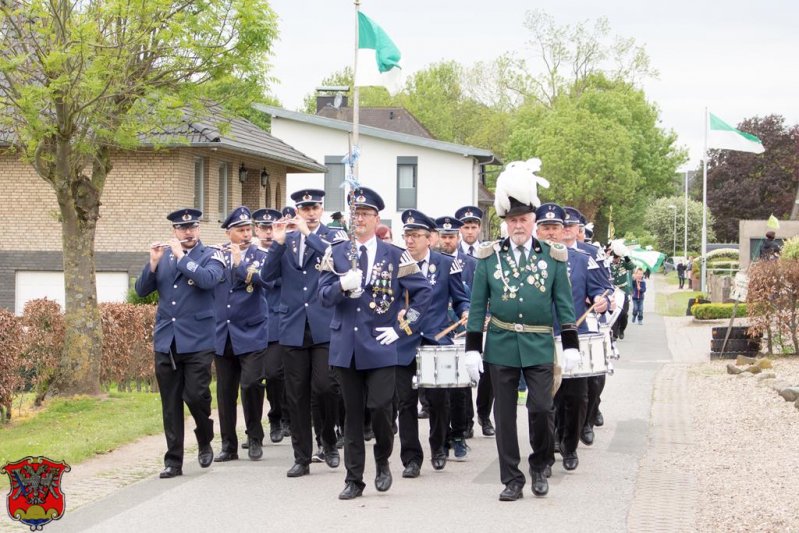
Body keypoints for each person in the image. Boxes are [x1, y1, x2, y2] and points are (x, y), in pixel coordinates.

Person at [465, 168, 579, 501]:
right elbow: (476, 307)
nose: (518, 225)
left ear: (533, 220)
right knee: (504, 416)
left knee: (542, 409)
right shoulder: (489, 257)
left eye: (524, 219)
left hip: (539, 342)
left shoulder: (554, 257)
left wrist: (570, 344)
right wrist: (473, 348)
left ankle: (540, 465)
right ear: (505, 222)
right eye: (512, 220)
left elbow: (564, 305)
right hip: (500, 344)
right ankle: (511, 479)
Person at [318, 187, 432, 500]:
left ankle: (382, 461)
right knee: (352, 415)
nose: (360, 220)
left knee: (381, 408)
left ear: (376, 218)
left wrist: (404, 326)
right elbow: (322, 295)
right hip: (347, 345)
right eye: (355, 214)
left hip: (381, 344)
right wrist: (341, 284)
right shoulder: (336, 252)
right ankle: (354, 479)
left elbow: (423, 292)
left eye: (366, 214)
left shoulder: (396, 254)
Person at [260, 189, 348, 478]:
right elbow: (267, 277)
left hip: (323, 324)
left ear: (321, 209)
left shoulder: (334, 236)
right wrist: (277, 243)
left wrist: (307, 235)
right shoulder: (286, 239)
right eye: (305, 208)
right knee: (295, 394)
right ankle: (301, 456)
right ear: (297, 210)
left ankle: (329, 441)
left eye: (315, 207)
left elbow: (338, 261)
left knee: (325, 387)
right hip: (293, 325)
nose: (310, 213)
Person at [135, 208, 225, 479]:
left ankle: (204, 437)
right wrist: (152, 262)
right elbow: (141, 291)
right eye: (181, 228)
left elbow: (208, 280)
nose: (187, 232)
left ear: (198, 229)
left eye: (192, 227)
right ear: (174, 231)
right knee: (170, 402)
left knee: (196, 396)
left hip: (198, 339)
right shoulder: (163, 257)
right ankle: (173, 460)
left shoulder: (211, 255)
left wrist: (181, 257)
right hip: (167, 340)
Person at [395, 210, 470, 478]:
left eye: (416, 235)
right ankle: (411, 458)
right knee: (405, 402)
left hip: (437, 338)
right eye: (407, 235)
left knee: (440, 400)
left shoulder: (447, 263)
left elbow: (461, 297)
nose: (410, 240)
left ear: (430, 238)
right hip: (403, 340)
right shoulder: (396, 263)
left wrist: (465, 310)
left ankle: (439, 447)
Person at [535, 203, 609, 472]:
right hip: (540, 338)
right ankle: (547, 448)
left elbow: (602, 288)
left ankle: (569, 446)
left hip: (572, 337)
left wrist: (603, 299)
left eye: (557, 228)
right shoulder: (527, 262)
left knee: (576, 397)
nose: (553, 233)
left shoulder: (580, 260)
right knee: (546, 401)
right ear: (538, 231)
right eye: (547, 228)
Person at [212, 206, 269, 462]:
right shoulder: (216, 255)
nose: (246, 234)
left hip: (252, 331)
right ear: (229, 233)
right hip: (224, 332)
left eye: (248, 229)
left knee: (251, 384)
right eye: (240, 230)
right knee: (225, 392)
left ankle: (254, 436)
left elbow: (263, 281)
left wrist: (239, 263)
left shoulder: (261, 256)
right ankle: (228, 445)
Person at [455, 206, 495, 438]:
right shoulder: (453, 255)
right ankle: (467, 420)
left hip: (487, 319)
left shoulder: (489, 252)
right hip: (462, 319)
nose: (470, 231)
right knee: (463, 371)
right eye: (466, 227)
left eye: (473, 227)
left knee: (487, 371)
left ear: (479, 228)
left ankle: (484, 413)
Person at [252, 208, 289, 444]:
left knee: (277, 374)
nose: (267, 232)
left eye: (271, 227)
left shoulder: (283, 253)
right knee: (255, 378)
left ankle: (281, 416)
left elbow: (272, 279)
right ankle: (261, 425)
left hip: (277, 319)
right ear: (256, 229)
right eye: (263, 228)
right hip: (253, 323)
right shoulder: (249, 253)